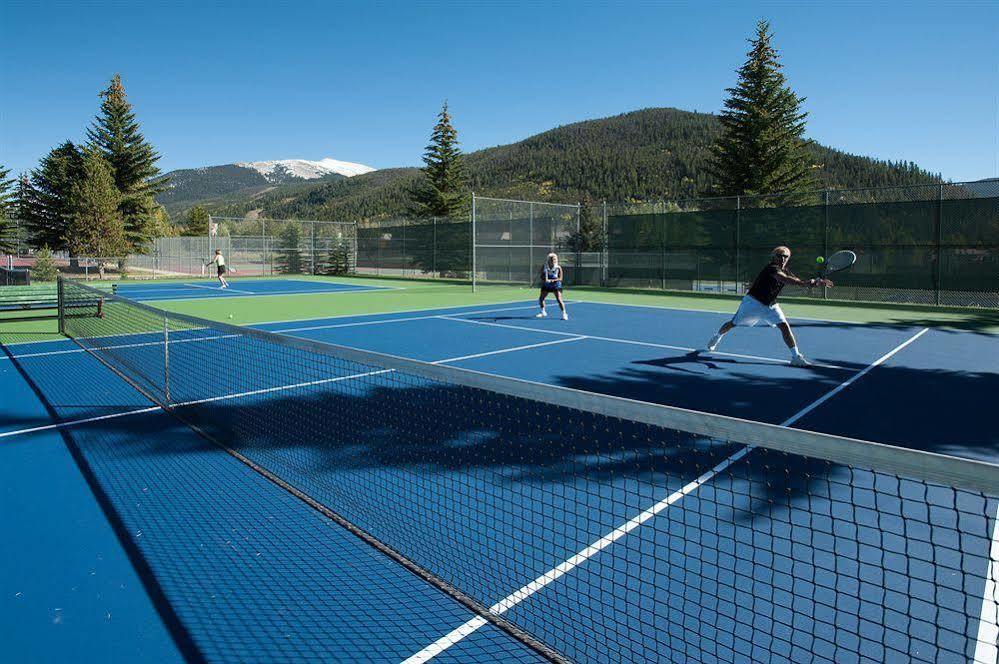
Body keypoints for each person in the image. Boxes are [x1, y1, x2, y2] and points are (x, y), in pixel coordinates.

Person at [704, 246, 831, 367]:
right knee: (733, 323)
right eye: (779, 256)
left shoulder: (785, 270)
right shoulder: (772, 268)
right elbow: (785, 279)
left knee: (784, 326)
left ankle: (796, 357)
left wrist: (813, 282)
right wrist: (805, 283)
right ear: (774, 257)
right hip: (753, 303)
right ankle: (717, 336)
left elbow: (796, 280)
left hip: (770, 305)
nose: (782, 259)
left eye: (785, 257)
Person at [536, 252, 568, 320]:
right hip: (546, 285)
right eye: (552, 259)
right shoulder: (544, 266)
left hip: (556, 285)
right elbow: (541, 276)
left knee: (559, 299)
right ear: (548, 260)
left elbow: (560, 278)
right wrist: (545, 279)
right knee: (541, 299)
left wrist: (553, 280)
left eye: (554, 259)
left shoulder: (558, 268)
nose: (553, 261)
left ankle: (564, 314)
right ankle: (543, 312)